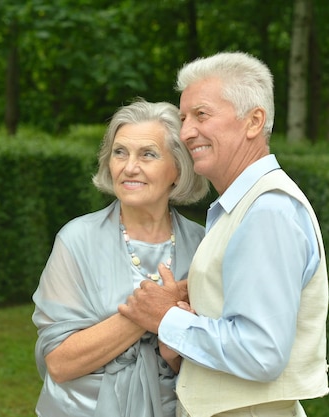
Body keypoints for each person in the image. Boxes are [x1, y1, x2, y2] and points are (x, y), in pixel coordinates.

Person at [118, 52, 329, 417]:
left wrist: (166, 318)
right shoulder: (243, 206)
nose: (185, 132)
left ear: (253, 121)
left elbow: (261, 353)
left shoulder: (267, 211)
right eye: (183, 118)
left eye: (202, 115)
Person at [32, 98, 210, 417]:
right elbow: (59, 362)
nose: (129, 167)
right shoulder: (76, 240)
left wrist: (173, 349)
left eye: (148, 154)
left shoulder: (204, 247)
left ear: (178, 168)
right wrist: (152, 310)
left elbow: (211, 361)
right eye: (120, 152)